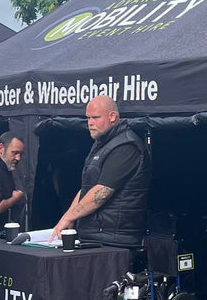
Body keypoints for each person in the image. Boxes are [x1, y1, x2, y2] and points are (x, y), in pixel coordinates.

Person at [51, 96, 150, 247]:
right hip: (96, 236)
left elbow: (103, 191)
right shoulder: (102, 144)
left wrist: (69, 218)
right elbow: (87, 189)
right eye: (88, 118)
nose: (90, 123)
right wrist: (66, 218)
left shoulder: (126, 146)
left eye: (96, 117)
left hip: (114, 240)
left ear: (112, 117)